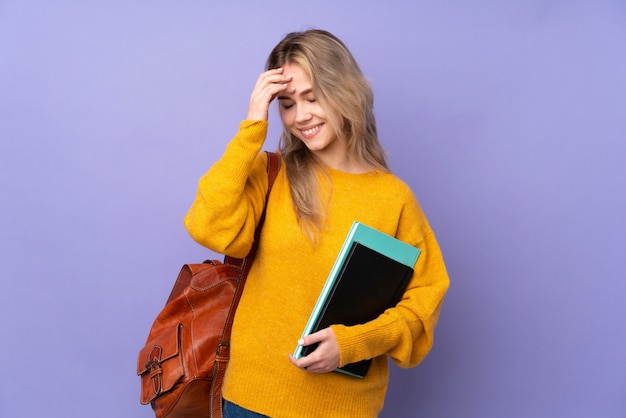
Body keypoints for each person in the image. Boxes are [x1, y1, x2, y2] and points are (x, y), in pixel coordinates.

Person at [184, 29, 449, 418]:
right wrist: (251, 130)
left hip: (344, 408)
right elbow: (207, 226)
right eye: (287, 104)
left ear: (345, 91)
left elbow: (423, 303)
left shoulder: (393, 198)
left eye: (313, 97)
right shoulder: (270, 175)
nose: (301, 116)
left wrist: (354, 343)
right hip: (250, 401)